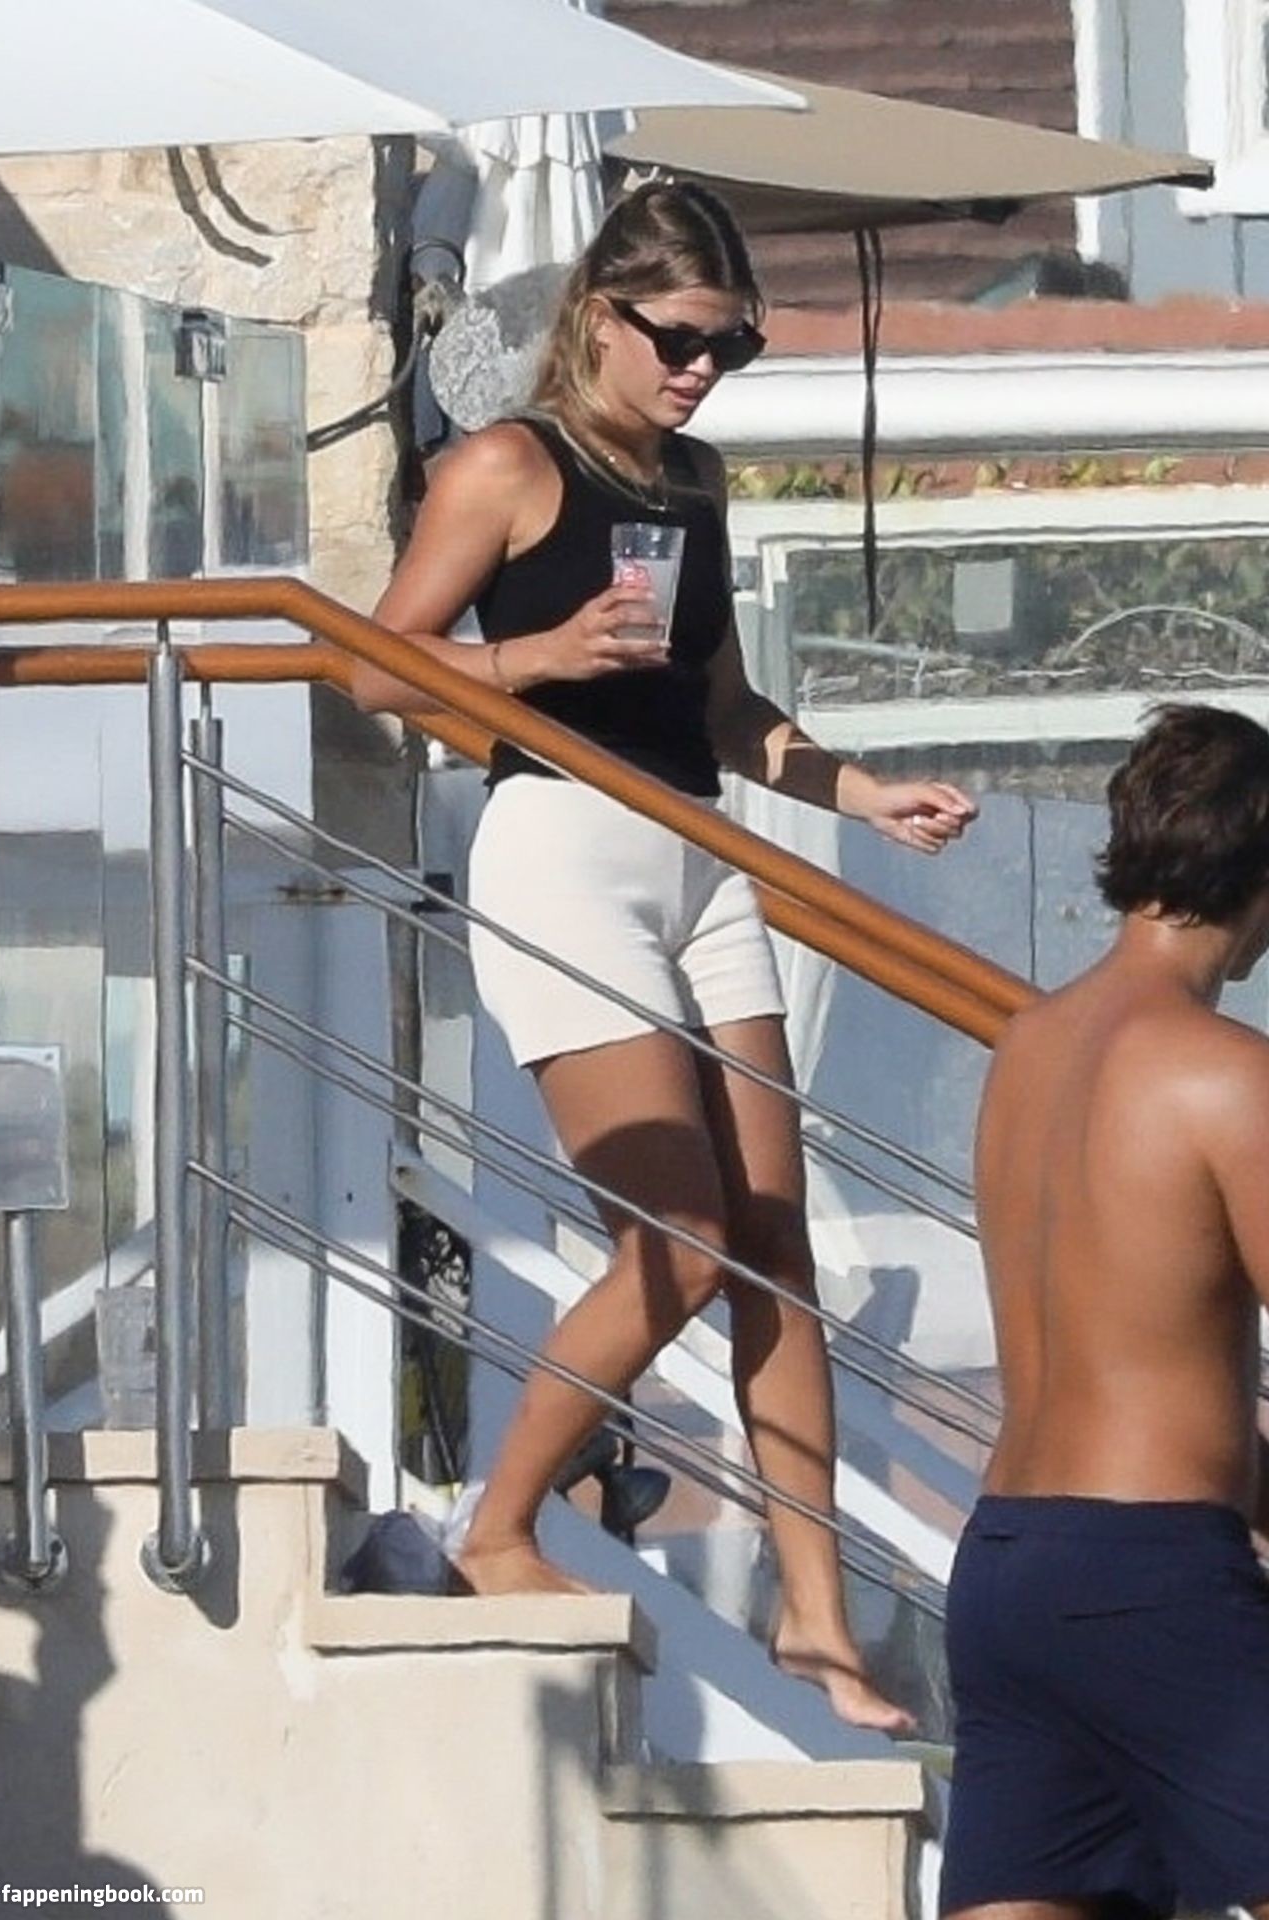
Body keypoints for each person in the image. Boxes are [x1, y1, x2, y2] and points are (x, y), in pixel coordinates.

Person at [359, 181, 976, 1733]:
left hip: (696, 850)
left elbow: (726, 713)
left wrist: (861, 790)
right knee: (682, 1239)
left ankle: (817, 1625)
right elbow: (373, 665)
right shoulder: (507, 465)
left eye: (733, 347)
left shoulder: (693, 480)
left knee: (774, 1249)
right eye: (682, 339)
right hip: (563, 845)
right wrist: (537, 656)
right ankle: (497, 1524)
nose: (704, 371)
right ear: (600, 314)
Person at [942, 702, 1269, 1918]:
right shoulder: (1225, 1074)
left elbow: (1138, 1339)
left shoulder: (1027, 1050)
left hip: (1005, 1566)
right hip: (1149, 1574)